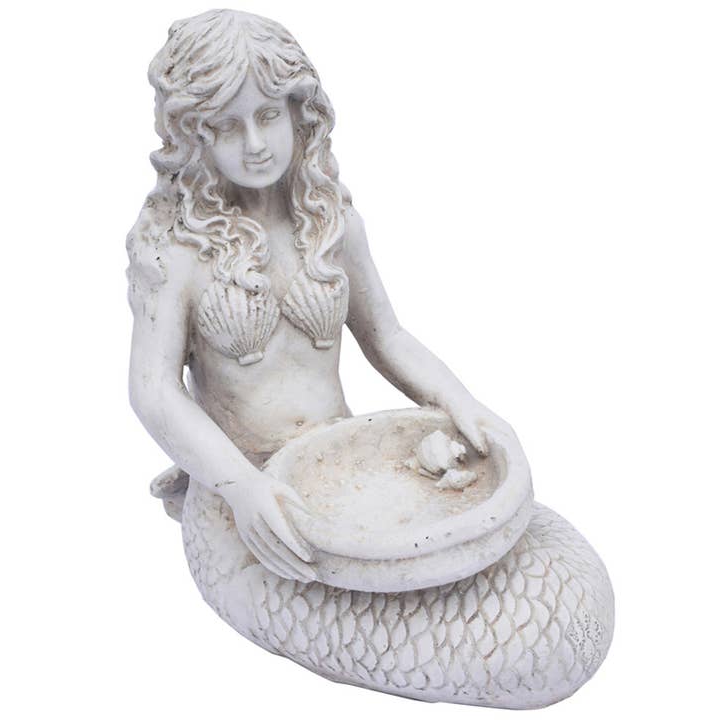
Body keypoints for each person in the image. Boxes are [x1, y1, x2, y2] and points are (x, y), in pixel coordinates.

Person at [128, 9, 517, 583]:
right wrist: (240, 486)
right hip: (248, 496)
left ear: (299, 112)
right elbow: (153, 389)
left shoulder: (329, 225)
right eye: (228, 127)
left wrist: (462, 403)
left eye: (267, 116)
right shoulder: (177, 251)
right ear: (194, 135)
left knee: (514, 552)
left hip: (337, 462)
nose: (255, 144)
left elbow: (387, 337)